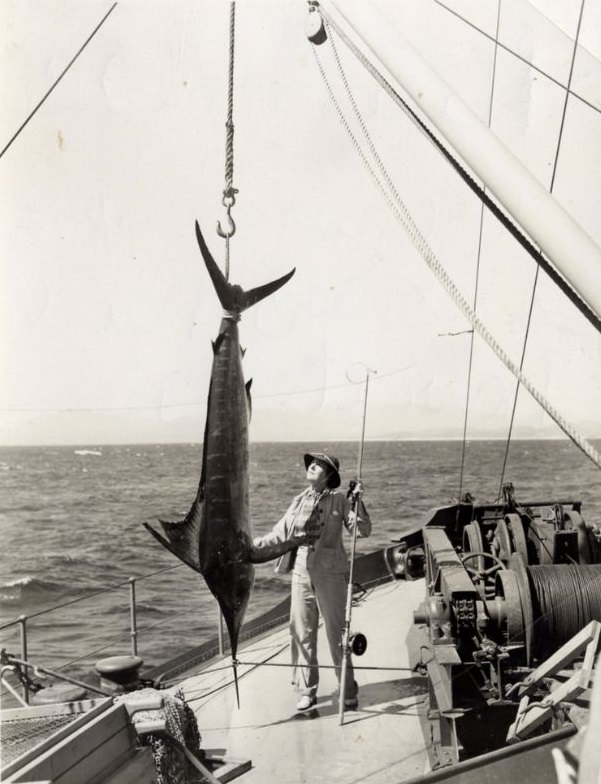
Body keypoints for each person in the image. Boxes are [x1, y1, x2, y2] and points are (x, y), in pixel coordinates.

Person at [253, 451, 371, 711]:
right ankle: (307, 690)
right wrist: (254, 546)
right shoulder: (299, 500)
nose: (313, 467)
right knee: (301, 630)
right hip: (300, 571)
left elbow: (362, 530)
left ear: (329, 475)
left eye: (319, 465)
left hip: (330, 573)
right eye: (312, 464)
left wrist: (358, 503)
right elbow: (280, 532)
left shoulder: (340, 500)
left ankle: (347, 688)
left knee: (337, 633)